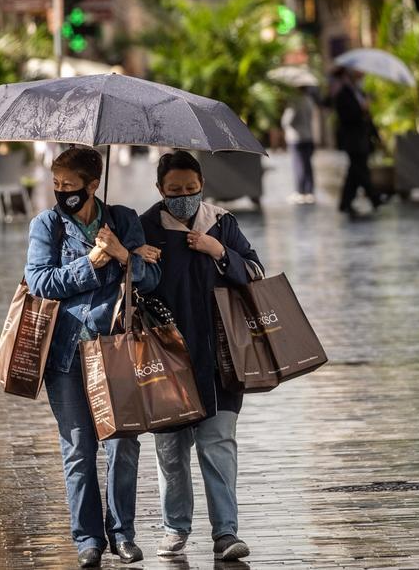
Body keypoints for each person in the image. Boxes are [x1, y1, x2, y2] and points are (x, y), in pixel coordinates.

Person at [24, 146, 160, 567]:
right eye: (57, 184)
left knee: (123, 444)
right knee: (79, 449)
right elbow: (40, 282)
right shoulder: (47, 225)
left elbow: (151, 277)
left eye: (70, 185)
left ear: (93, 184)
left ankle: (122, 533)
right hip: (65, 355)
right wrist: (90, 262)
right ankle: (88, 540)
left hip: (117, 348)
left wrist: (122, 253)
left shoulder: (123, 220)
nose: (61, 192)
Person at [138, 151, 263, 562]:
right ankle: (175, 528)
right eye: (175, 191)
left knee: (218, 443)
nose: (184, 198)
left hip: (222, 358)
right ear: (160, 190)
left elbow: (257, 274)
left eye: (191, 190)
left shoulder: (222, 223)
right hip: (167, 359)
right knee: (171, 451)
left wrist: (218, 251)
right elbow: (129, 291)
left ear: (202, 185)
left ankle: (226, 532)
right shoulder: (144, 230)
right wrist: (133, 261)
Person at [332, 66, 385, 215]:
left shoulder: (360, 93)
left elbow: (367, 117)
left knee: (354, 172)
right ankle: (374, 197)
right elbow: (346, 118)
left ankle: (345, 203)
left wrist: (376, 135)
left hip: (363, 137)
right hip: (352, 139)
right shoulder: (342, 95)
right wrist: (361, 109)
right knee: (361, 170)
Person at [282, 86, 321, 204]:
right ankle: (309, 192)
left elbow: (287, 120)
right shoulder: (309, 100)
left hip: (296, 137)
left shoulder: (295, 101)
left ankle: (300, 192)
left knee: (298, 165)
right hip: (308, 136)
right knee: (307, 165)